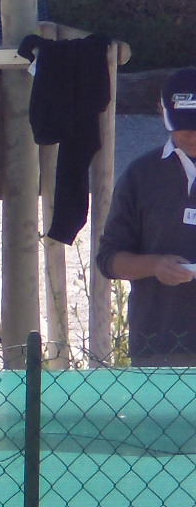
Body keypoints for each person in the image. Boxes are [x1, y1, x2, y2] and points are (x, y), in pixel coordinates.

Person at [97, 66, 196, 366]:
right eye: (184, 125)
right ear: (161, 112)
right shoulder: (141, 175)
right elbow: (108, 259)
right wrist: (155, 265)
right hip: (161, 345)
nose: (192, 134)